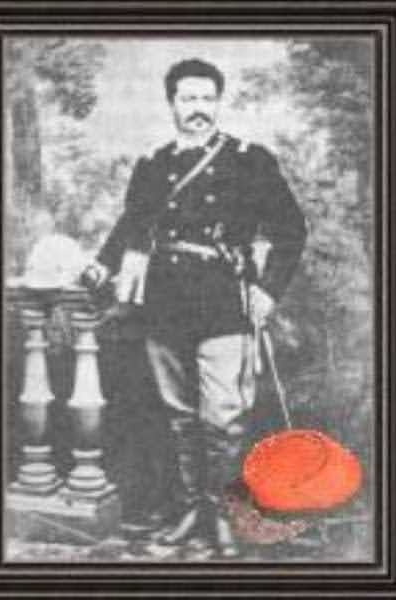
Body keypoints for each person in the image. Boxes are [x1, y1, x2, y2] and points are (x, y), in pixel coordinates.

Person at [81, 58, 307, 557]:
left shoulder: (249, 160)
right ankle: (191, 513)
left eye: (207, 98)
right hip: (163, 305)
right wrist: (100, 265)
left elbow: (292, 230)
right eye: (188, 98)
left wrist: (268, 290)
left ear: (218, 102)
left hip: (223, 303)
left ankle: (224, 516)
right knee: (179, 417)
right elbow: (131, 225)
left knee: (222, 419)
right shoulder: (153, 164)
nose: (198, 108)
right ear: (172, 104)